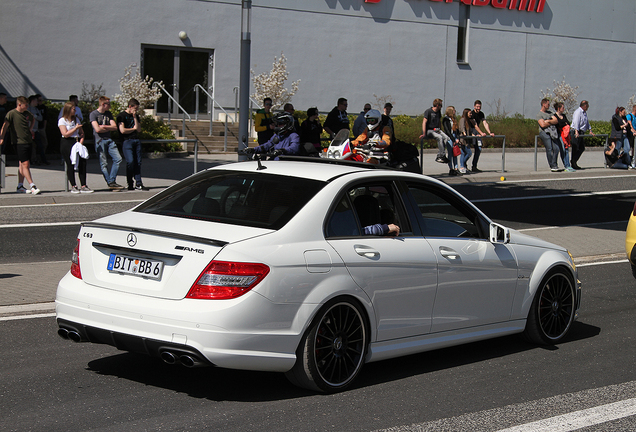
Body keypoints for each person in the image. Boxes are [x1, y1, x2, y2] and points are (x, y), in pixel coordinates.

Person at [0, 96, 41, 194]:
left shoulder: (27, 113)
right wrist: (1, 137)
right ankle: (32, 185)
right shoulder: (12, 114)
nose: (27, 107)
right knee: (25, 164)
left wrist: (30, 129)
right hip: (19, 142)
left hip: (28, 141)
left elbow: (33, 119)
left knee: (22, 164)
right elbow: (5, 126)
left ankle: (20, 186)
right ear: (19, 105)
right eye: (25, 105)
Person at [90, 96, 124, 189]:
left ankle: (112, 181)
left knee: (118, 158)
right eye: (108, 104)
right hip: (99, 141)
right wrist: (106, 128)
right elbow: (97, 129)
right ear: (103, 104)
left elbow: (115, 127)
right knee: (103, 163)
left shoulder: (108, 114)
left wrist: (104, 126)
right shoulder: (93, 114)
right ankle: (110, 182)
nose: (110, 106)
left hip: (109, 140)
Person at [58, 101, 92, 193]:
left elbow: (82, 133)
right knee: (70, 164)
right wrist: (75, 129)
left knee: (82, 163)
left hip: (76, 141)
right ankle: (73, 185)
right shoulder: (62, 120)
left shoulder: (76, 120)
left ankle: (84, 185)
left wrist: (81, 142)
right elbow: (65, 134)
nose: (75, 111)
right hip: (67, 142)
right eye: (73, 109)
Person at [117, 98, 148, 191]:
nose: (136, 110)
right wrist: (133, 129)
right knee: (130, 161)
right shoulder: (122, 116)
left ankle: (139, 182)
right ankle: (130, 182)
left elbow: (138, 129)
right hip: (127, 141)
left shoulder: (136, 116)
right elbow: (122, 130)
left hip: (136, 140)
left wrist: (135, 118)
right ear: (130, 107)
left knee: (138, 162)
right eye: (135, 109)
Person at [420, 98, 450, 164]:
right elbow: (424, 122)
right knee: (440, 137)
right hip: (429, 130)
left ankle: (440, 155)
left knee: (446, 138)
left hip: (436, 129)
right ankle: (442, 156)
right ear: (437, 105)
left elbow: (439, 121)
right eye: (441, 106)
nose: (441, 107)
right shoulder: (428, 111)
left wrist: (440, 130)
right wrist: (424, 133)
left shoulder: (438, 112)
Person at [469, 100, 495, 173]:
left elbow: (485, 123)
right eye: (477, 106)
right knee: (467, 151)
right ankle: (463, 166)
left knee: (478, 149)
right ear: (474, 106)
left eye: (479, 107)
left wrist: (489, 132)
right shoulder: (472, 113)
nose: (478, 108)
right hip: (471, 131)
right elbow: (475, 125)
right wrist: (481, 133)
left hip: (478, 132)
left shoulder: (481, 114)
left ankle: (474, 166)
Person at [537, 98, 561, 172]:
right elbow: (542, 125)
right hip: (544, 133)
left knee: (556, 148)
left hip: (553, 132)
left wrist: (547, 121)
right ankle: (552, 165)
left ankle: (554, 163)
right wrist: (550, 122)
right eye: (548, 104)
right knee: (549, 148)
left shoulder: (550, 113)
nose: (549, 105)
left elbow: (556, 120)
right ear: (544, 104)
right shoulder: (539, 114)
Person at [570, 100, 594, 170]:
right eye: (587, 106)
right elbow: (576, 121)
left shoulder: (584, 113)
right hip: (576, 131)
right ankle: (573, 162)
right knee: (575, 147)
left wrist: (590, 130)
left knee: (581, 148)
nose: (588, 108)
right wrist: (576, 131)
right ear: (584, 106)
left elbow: (586, 122)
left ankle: (574, 161)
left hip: (581, 131)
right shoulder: (578, 112)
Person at [553, 102, 575, 172]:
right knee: (562, 149)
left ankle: (568, 165)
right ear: (559, 108)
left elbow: (567, 123)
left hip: (566, 136)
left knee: (566, 149)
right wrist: (564, 124)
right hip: (560, 135)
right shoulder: (555, 116)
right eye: (562, 107)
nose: (564, 109)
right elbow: (559, 124)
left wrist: (565, 124)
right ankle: (566, 165)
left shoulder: (564, 116)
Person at [442, 106, 461, 176]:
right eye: (453, 110)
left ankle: (456, 168)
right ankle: (451, 168)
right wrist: (453, 139)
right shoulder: (445, 119)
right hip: (449, 138)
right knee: (450, 153)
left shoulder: (454, 119)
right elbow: (447, 131)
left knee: (455, 154)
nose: (455, 111)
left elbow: (457, 130)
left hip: (454, 137)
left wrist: (458, 138)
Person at [28, 95, 43, 165]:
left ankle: (39, 159)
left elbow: (41, 118)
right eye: (36, 101)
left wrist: (35, 116)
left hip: (36, 130)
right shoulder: (28, 109)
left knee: (39, 145)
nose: (37, 102)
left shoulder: (36, 110)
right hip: (30, 130)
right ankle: (31, 159)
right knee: (31, 146)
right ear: (33, 101)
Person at [457, 108, 474, 174]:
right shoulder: (463, 119)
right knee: (469, 153)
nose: (471, 114)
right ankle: (462, 165)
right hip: (463, 140)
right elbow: (462, 128)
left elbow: (469, 130)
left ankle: (463, 166)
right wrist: (464, 133)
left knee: (463, 153)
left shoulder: (468, 121)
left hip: (467, 140)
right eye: (470, 113)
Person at [35, 94, 50, 165]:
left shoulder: (43, 107)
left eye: (42, 100)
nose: (41, 102)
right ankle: (35, 158)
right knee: (35, 145)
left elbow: (44, 118)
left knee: (44, 143)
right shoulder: (34, 108)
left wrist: (44, 127)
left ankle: (42, 157)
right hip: (35, 128)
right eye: (39, 100)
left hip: (41, 128)